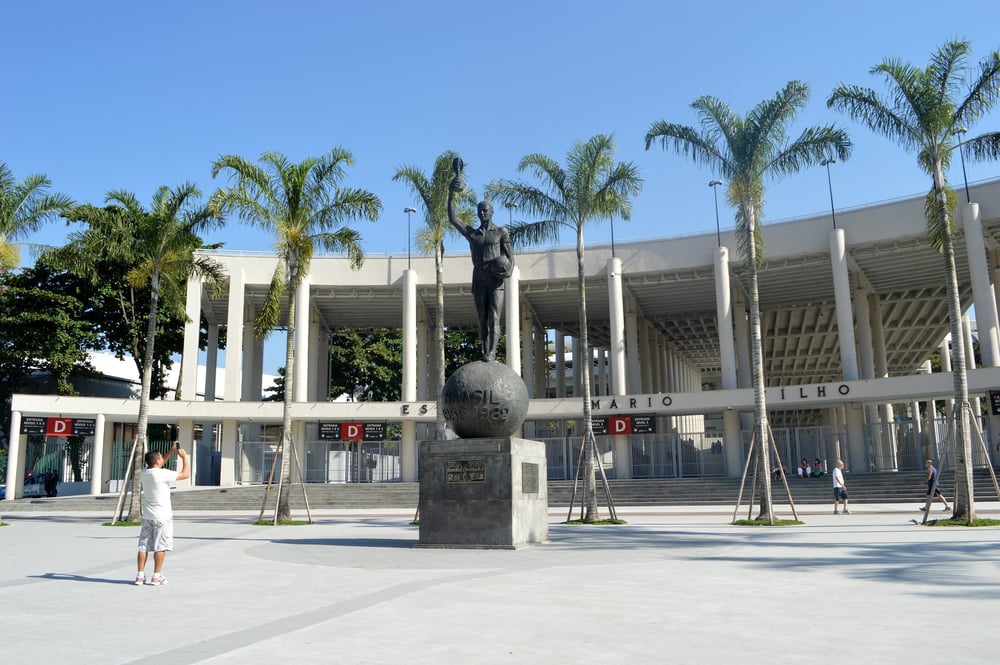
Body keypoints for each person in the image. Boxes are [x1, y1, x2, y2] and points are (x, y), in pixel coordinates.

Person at [447, 157, 514, 363]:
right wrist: (451, 193)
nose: (483, 212)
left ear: (492, 212)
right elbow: (452, 218)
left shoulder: (501, 232)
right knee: (482, 318)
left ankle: (492, 353)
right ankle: (485, 350)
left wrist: (508, 270)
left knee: (494, 316)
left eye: (486, 209)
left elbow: (511, 258)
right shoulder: (473, 234)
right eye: (480, 210)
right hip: (479, 277)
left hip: (496, 278)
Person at [136, 442, 189, 586]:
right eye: (160, 457)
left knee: (143, 546)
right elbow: (185, 475)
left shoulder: (144, 473)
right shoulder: (162, 474)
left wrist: (170, 452)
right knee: (160, 546)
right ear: (157, 461)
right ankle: (156, 576)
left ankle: (140, 576)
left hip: (147, 516)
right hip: (162, 516)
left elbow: (158, 464)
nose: (162, 459)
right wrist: (184, 458)